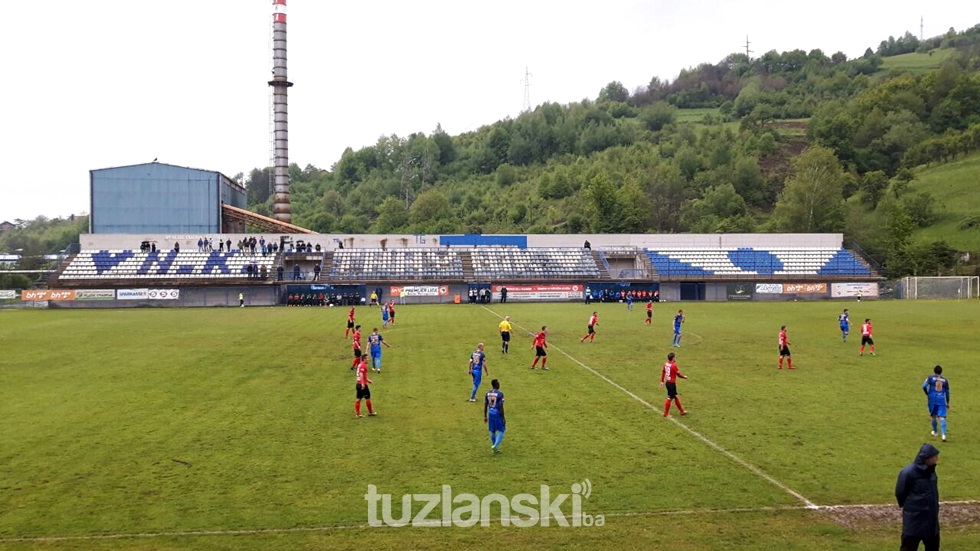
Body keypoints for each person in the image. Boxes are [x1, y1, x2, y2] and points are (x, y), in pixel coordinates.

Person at [895, 443, 941, 551]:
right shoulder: (908, 473)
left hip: (931, 522)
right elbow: (900, 493)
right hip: (914, 521)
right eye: (934, 457)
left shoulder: (931, 472)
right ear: (927, 458)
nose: (936, 459)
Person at [923, 365, 950, 442]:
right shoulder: (945, 380)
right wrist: (947, 402)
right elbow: (947, 393)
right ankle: (944, 435)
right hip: (941, 399)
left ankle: (935, 432)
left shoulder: (930, 378)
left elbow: (924, 386)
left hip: (932, 399)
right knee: (942, 417)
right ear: (941, 372)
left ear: (934, 371)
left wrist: (927, 393)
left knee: (933, 416)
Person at [660, 352, 688, 417]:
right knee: (670, 397)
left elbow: (663, 372)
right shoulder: (674, 365)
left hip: (668, 383)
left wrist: (662, 381)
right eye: (675, 357)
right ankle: (666, 413)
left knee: (675, 396)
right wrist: (684, 376)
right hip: (672, 384)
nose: (675, 358)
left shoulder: (666, 364)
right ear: (672, 358)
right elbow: (678, 375)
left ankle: (682, 411)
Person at [484, 379, 506, 453]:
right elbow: (501, 406)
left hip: (490, 413)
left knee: (492, 430)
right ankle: (495, 445)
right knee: (502, 430)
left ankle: (495, 449)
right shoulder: (500, 394)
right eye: (498, 383)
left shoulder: (488, 393)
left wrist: (485, 416)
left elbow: (485, 405)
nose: (499, 385)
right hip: (497, 413)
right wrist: (503, 417)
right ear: (496, 385)